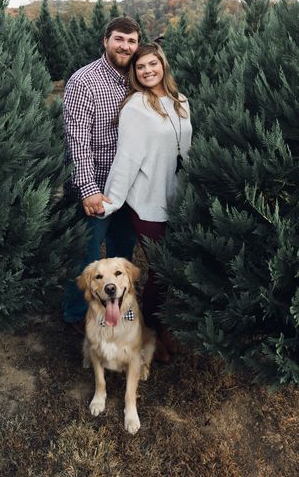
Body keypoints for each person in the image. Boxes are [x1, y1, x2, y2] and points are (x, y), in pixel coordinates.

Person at [98, 42, 192, 362]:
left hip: (177, 196)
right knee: (160, 268)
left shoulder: (181, 101)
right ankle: (151, 329)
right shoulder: (137, 106)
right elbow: (127, 157)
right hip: (149, 200)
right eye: (140, 67)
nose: (148, 70)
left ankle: (161, 323)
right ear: (135, 74)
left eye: (153, 64)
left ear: (163, 65)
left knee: (175, 265)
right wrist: (110, 200)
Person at [62, 16, 141, 333]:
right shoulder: (84, 81)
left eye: (132, 41)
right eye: (119, 39)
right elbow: (77, 142)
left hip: (127, 189)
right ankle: (77, 317)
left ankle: (117, 315)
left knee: (122, 258)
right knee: (87, 259)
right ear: (106, 40)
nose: (126, 46)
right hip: (96, 188)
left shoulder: (136, 79)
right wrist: (89, 190)